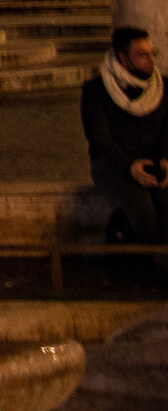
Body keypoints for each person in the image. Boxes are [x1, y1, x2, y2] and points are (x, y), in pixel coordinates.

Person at [84, 27, 168, 252]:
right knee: (143, 210)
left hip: (154, 162)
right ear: (123, 58)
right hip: (114, 165)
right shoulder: (96, 91)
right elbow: (100, 138)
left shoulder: (163, 87)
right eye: (142, 55)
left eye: (152, 53)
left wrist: (164, 159)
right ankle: (150, 265)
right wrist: (130, 166)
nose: (150, 60)